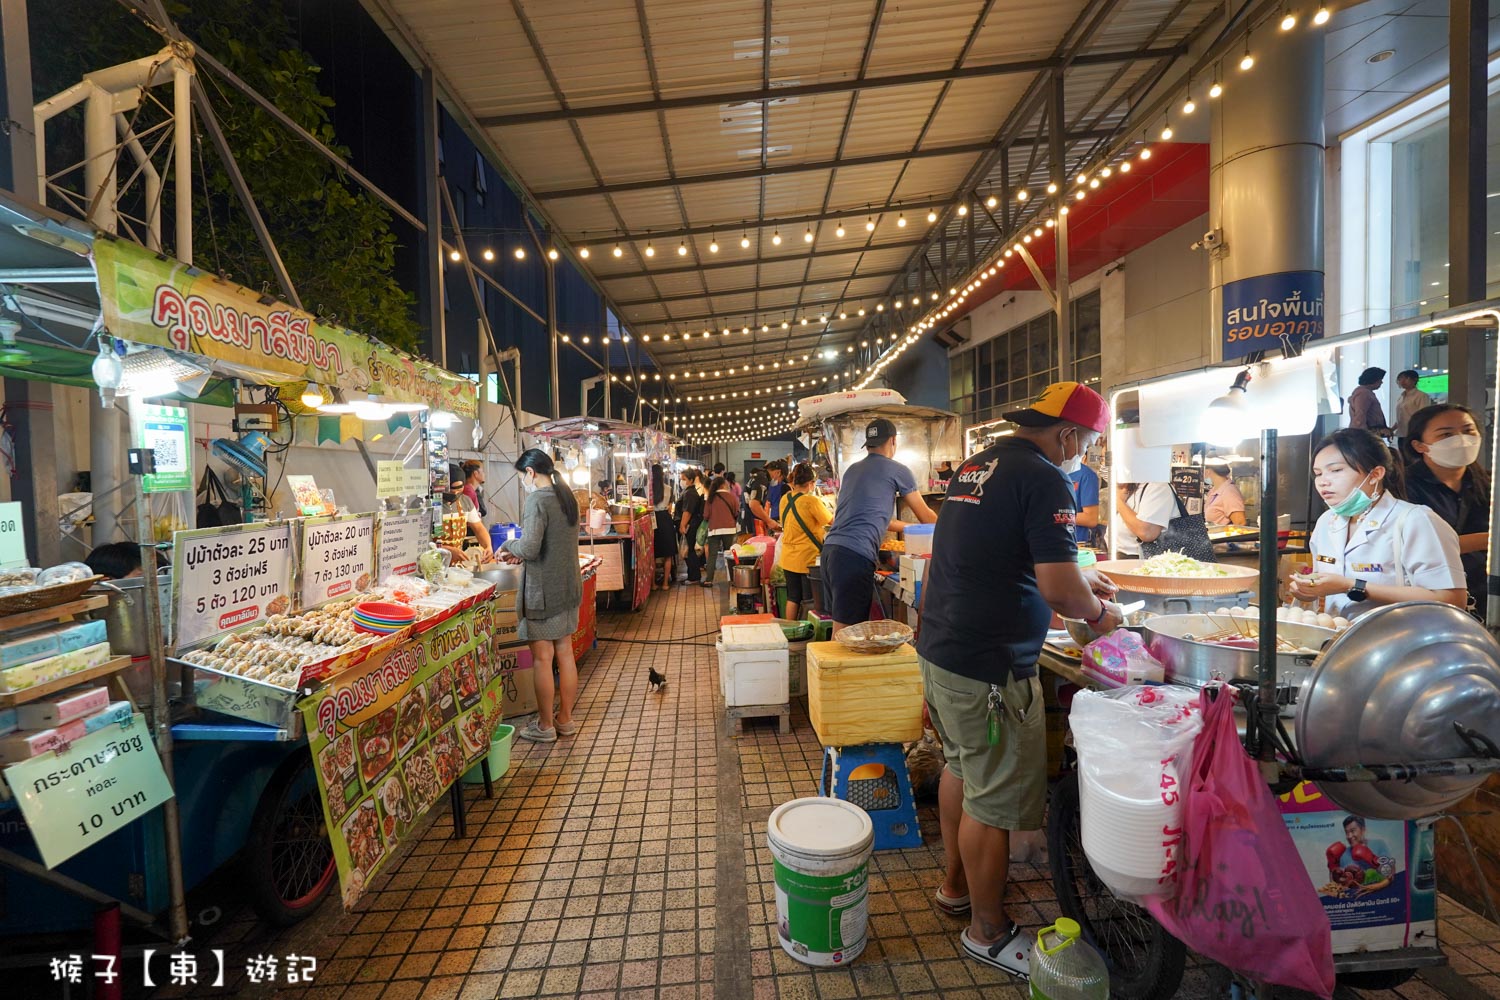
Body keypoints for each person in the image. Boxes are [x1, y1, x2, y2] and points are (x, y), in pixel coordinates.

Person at [916, 381, 1124, 977]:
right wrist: (1100, 615)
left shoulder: (978, 466)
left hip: (944, 650)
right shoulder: (1044, 477)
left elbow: (991, 559)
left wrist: (1080, 588)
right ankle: (987, 931)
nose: (1084, 450)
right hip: (989, 668)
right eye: (1085, 440)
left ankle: (956, 887)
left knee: (962, 769)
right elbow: (1059, 587)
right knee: (994, 800)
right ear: (1065, 433)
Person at [1288, 428, 1465, 618]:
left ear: (1375, 474)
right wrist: (1307, 591)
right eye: (1318, 473)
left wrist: (1353, 586)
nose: (1323, 482)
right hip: (1342, 641)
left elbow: (1451, 599)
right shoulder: (1326, 522)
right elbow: (1326, 588)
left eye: (1336, 470)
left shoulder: (1415, 520)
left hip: (1400, 641)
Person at [498, 450, 583, 744]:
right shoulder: (567, 497)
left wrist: (509, 545)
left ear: (531, 472)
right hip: (568, 587)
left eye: (522, 476)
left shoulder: (537, 500)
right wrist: (519, 554)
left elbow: (531, 547)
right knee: (565, 653)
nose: (523, 482)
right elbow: (550, 546)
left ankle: (545, 725)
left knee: (542, 659)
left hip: (543, 593)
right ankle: (566, 719)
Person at [821, 417, 938, 630]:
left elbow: (872, 516)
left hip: (831, 553)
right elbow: (926, 517)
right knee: (847, 636)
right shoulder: (898, 470)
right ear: (893, 441)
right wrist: (953, 527)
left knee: (842, 631)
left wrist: (909, 529)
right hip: (853, 557)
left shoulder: (852, 470)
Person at [1402, 404, 1489, 614]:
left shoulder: (1488, 484)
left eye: (1468, 431)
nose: (1461, 439)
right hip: (1430, 598)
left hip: (1486, 594)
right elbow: (1421, 548)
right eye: (1446, 434)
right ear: (1419, 445)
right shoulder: (1403, 486)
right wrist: (1489, 540)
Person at [777, 462, 830, 620]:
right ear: (811, 483)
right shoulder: (811, 501)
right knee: (809, 600)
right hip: (808, 559)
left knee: (793, 597)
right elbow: (831, 521)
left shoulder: (785, 499)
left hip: (788, 558)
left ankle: (791, 631)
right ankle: (808, 635)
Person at [1113, 482, 1176, 557]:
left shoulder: (1158, 487)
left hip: (1141, 560)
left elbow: (1147, 533)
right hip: (1121, 555)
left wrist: (1118, 501)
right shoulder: (1130, 487)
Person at [702, 475, 739, 587]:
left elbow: (706, 515)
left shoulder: (710, 498)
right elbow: (736, 512)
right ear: (723, 485)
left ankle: (709, 580)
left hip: (714, 530)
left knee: (712, 555)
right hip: (730, 529)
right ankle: (735, 578)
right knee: (732, 553)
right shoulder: (732, 497)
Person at [650, 463, 677, 591]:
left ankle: (653, 584)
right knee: (668, 554)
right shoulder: (669, 489)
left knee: (652, 554)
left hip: (651, 520)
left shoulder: (646, 488)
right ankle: (666, 583)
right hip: (665, 520)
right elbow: (670, 507)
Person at [677, 468, 706, 584]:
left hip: (690, 525)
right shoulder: (689, 491)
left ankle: (694, 577)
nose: (681, 481)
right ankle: (692, 575)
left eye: (683, 479)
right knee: (688, 551)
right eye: (681, 479)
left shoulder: (690, 493)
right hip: (691, 524)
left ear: (691, 480)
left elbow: (687, 512)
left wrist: (683, 525)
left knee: (689, 551)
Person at [1393, 370, 1433, 452]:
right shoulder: (1401, 397)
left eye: (1406, 378)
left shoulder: (1421, 396)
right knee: (1403, 459)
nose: (1402, 381)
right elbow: (1400, 417)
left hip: (1413, 433)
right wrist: (1392, 429)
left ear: (1414, 380)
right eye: (1400, 379)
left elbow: (1424, 415)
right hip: (1402, 433)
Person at [1347, 366, 1392, 435]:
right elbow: (1360, 416)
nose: (1381, 382)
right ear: (1373, 380)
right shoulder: (1364, 394)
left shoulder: (1363, 392)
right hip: (1364, 433)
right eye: (1380, 380)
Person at [1067, 461, 1100, 544]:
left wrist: (1058, 517)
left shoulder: (1086, 475)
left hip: (1075, 541)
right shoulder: (1048, 471)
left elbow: (1091, 519)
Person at [745, 467, 776, 534]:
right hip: (750, 528)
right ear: (777, 472)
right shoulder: (762, 478)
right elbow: (754, 504)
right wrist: (769, 521)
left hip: (747, 526)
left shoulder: (756, 478)